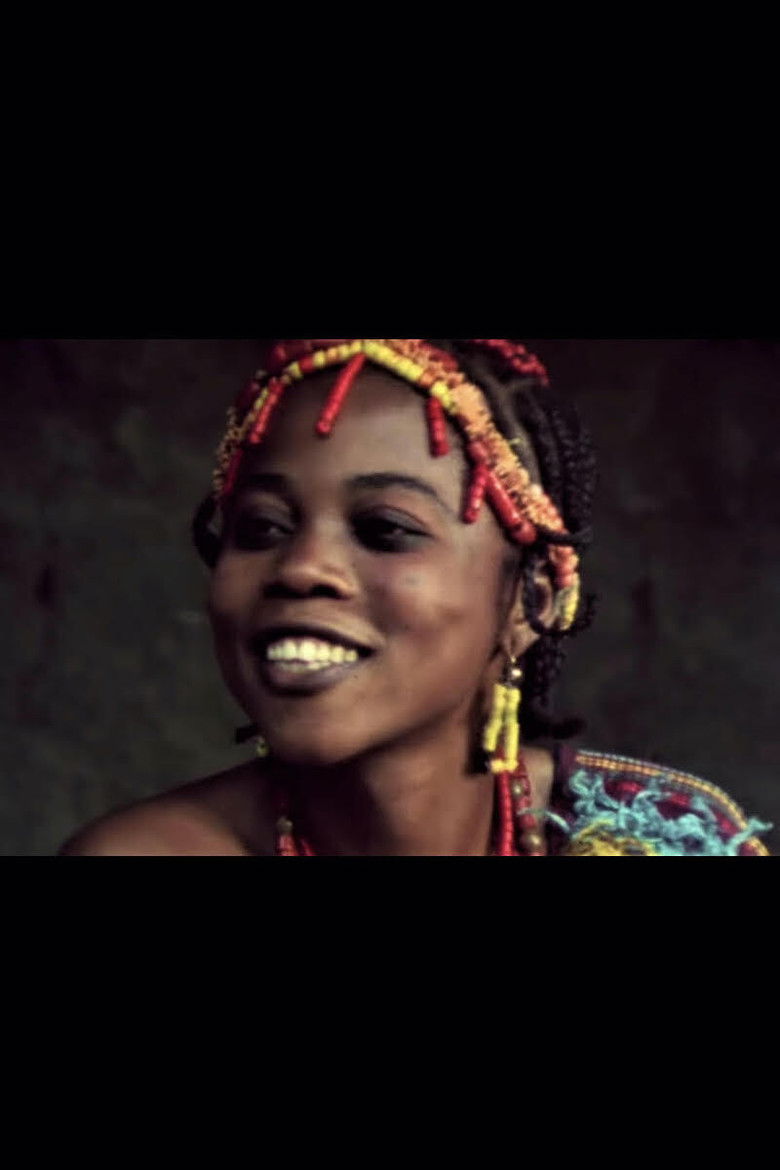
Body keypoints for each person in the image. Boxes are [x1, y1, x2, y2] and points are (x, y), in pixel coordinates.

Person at [60, 339, 772, 857]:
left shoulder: (667, 836)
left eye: (385, 530)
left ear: (532, 600)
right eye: (262, 528)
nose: (302, 568)